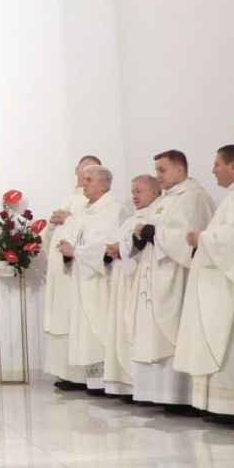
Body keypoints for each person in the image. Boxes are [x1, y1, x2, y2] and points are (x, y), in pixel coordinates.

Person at [172, 143, 234, 424]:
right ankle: (221, 405)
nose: (213, 170)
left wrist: (202, 237)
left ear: (233, 166)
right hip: (224, 282)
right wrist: (204, 237)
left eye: (217, 164)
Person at [123, 150, 214, 411]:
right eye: (156, 170)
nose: (158, 175)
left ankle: (179, 395)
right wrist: (143, 235)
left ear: (179, 169)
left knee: (174, 332)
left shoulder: (194, 197)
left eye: (162, 170)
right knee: (152, 334)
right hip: (156, 275)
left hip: (177, 277)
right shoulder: (166, 199)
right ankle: (157, 393)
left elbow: (187, 237)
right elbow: (157, 232)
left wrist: (155, 233)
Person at [57, 166, 125, 393]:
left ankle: (107, 381)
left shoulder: (114, 210)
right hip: (83, 277)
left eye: (89, 180)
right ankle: (93, 381)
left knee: (100, 327)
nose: (83, 184)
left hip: (100, 280)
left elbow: (105, 244)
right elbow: (71, 235)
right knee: (86, 331)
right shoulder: (85, 211)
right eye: (83, 179)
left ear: (103, 184)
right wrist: (66, 248)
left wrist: (76, 251)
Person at [101, 174, 162, 398]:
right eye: (132, 192)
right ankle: (124, 384)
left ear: (154, 192)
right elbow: (115, 242)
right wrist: (111, 250)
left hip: (139, 283)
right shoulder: (130, 219)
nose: (134, 196)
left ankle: (138, 384)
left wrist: (121, 249)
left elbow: (142, 248)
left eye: (139, 191)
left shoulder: (154, 216)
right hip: (122, 282)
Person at [43, 157, 99, 390]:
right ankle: (64, 372)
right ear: (76, 170)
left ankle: (80, 376)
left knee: (73, 319)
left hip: (77, 269)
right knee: (60, 318)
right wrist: (53, 225)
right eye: (83, 168)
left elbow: (91, 229)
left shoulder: (94, 202)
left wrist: (69, 219)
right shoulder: (69, 197)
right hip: (60, 267)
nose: (85, 175)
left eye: (91, 171)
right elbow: (52, 232)